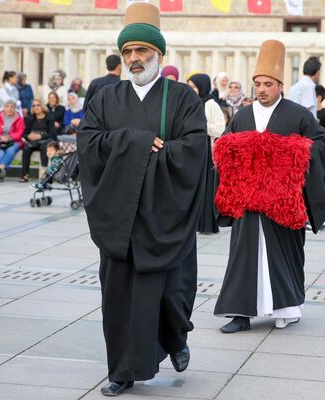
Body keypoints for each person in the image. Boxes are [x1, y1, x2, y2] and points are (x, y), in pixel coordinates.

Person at [77, 2, 208, 396]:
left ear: (159, 55)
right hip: (119, 216)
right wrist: (134, 142)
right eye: (128, 52)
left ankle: (176, 339)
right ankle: (122, 370)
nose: (134, 59)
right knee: (118, 297)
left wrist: (155, 155)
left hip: (166, 213)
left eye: (142, 52)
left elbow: (195, 148)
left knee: (171, 291)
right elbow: (88, 144)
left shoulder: (182, 98)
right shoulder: (105, 98)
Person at [213, 39, 325, 332]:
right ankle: (240, 314)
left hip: (282, 203)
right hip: (249, 202)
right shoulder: (243, 115)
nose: (261, 89)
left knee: (284, 254)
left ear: (280, 85)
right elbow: (225, 147)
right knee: (242, 255)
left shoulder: (298, 114)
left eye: (268, 84)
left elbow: (322, 144)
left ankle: (286, 308)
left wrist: (288, 150)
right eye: (257, 84)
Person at [187, 73, 225, 234]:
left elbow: (219, 128)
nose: (191, 90)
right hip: (189, 150)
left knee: (204, 187)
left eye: (194, 87)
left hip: (204, 151)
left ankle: (204, 223)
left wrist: (201, 124)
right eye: (189, 86)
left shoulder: (210, 104)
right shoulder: (188, 103)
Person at [20, 100, 56, 182]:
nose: (36, 107)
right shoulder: (30, 118)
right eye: (34, 106)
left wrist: (40, 136)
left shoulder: (49, 117)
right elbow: (24, 133)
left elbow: (53, 134)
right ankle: (25, 174)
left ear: (42, 106)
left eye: (38, 105)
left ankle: (44, 174)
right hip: (33, 143)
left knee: (44, 148)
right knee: (26, 149)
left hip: (45, 142)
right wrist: (29, 136)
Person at [0, 98, 25, 181]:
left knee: (11, 150)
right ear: (4, 107)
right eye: (7, 106)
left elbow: (20, 132)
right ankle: (2, 171)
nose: (9, 108)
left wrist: (10, 137)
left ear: (15, 108)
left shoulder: (19, 118)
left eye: (12, 106)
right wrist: (0, 137)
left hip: (14, 141)